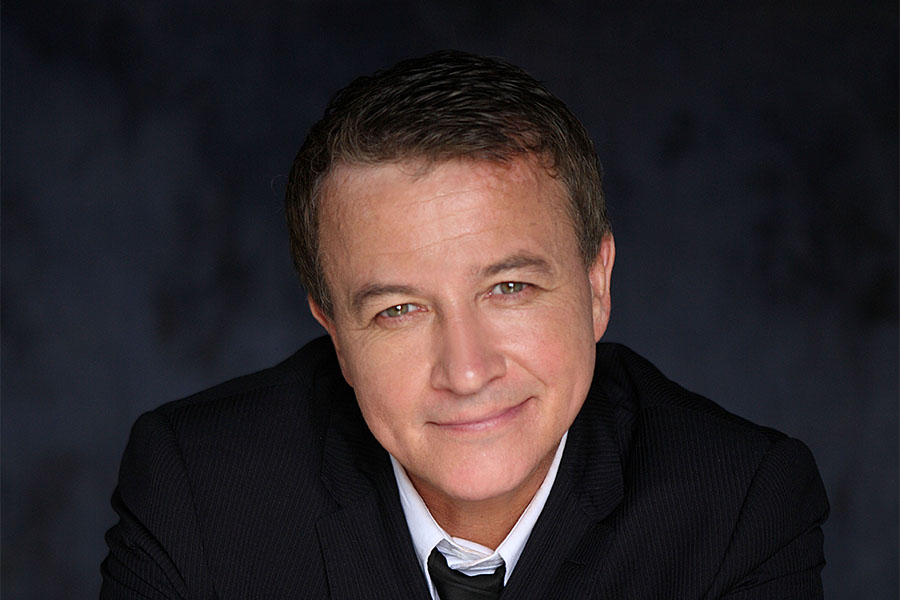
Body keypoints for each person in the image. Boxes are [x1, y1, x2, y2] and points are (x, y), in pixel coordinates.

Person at [101, 51, 829, 599]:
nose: (468, 370)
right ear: (335, 333)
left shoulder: (740, 507)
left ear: (596, 286)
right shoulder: (196, 490)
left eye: (509, 288)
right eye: (399, 309)